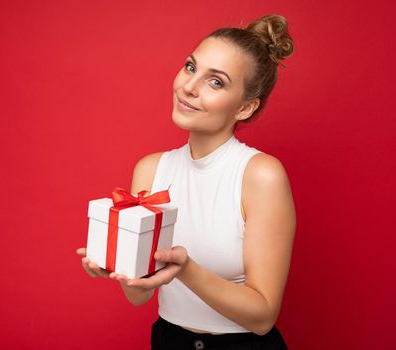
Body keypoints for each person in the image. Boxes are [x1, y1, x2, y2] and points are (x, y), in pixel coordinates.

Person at [77, 13, 296, 350]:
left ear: (245, 108)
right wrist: (117, 265)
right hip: (169, 340)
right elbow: (139, 296)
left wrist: (185, 269)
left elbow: (263, 315)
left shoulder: (260, 175)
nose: (189, 87)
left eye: (216, 82)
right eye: (191, 67)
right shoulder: (150, 168)